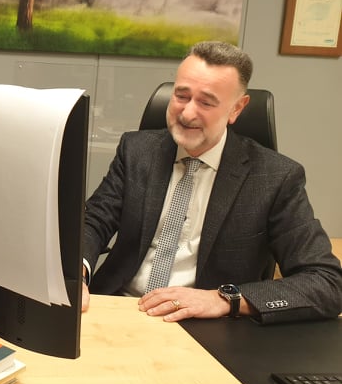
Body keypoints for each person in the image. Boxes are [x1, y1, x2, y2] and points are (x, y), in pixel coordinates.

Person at [82, 41, 342, 324]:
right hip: (119, 307)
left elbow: (327, 283)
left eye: (206, 102)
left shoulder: (275, 178)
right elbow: (93, 222)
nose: (187, 113)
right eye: (181, 96)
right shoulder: (136, 151)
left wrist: (224, 299)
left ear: (236, 109)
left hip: (205, 325)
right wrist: (75, 274)